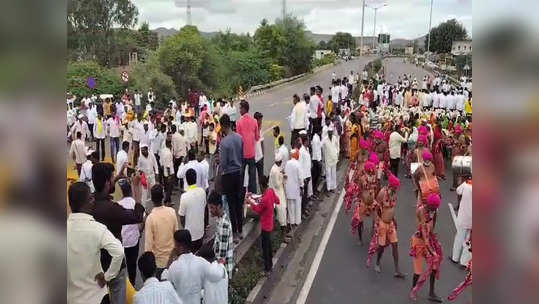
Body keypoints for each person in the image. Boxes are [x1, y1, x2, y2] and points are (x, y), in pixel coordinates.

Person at [91, 162, 145, 304]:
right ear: (108, 182)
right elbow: (138, 216)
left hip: (95, 266)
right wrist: (136, 190)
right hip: (114, 267)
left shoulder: (89, 203)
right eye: (112, 177)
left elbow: (102, 191)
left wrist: (114, 178)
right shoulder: (112, 209)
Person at [67, 182, 125, 304]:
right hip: (96, 296)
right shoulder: (98, 229)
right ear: (90, 200)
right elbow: (119, 252)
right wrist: (107, 276)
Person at [166, 230, 226, 304]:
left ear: (180, 246)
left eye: (175, 244)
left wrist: (169, 263)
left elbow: (166, 284)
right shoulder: (200, 262)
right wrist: (220, 264)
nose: (174, 247)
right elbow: (216, 275)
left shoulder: (174, 266)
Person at [367, 174, 406, 278]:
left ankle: (397, 270)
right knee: (381, 246)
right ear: (391, 185)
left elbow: (391, 209)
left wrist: (393, 219)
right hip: (382, 224)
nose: (397, 189)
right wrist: (377, 221)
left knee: (395, 245)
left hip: (391, 224)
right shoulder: (383, 193)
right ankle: (377, 263)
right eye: (396, 187)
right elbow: (374, 206)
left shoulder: (394, 193)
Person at [410, 194, 443, 303]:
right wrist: (433, 252)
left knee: (434, 267)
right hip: (419, 243)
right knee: (418, 272)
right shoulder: (421, 211)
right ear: (429, 205)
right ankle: (413, 290)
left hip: (428, 240)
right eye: (434, 207)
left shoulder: (435, 212)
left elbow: (432, 228)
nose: (436, 209)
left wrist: (435, 240)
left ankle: (431, 293)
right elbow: (424, 236)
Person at [218, 114, 244, 242]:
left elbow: (223, 163)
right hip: (239, 173)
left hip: (228, 175)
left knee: (231, 204)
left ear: (223, 126)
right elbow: (242, 155)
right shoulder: (239, 138)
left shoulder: (224, 143)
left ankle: (235, 233)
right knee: (239, 203)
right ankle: (241, 229)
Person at [247, 176, 280, 275]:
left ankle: (267, 269)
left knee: (265, 248)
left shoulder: (265, 199)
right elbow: (277, 200)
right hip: (270, 223)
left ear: (261, 185)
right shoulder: (270, 191)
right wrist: (253, 196)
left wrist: (250, 202)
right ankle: (270, 265)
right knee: (268, 246)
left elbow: (258, 209)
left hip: (265, 226)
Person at [145, 184, 178, 278]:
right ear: (163, 196)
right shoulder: (171, 212)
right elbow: (176, 234)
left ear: (151, 199)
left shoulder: (150, 218)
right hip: (172, 260)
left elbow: (148, 247)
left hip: (158, 263)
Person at [117, 179, 141, 286]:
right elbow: (143, 218)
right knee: (132, 265)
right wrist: (140, 231)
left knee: (120, 266)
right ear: (130, 190)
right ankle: (132, 284)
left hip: (121, 241)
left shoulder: (117, 205)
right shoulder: (134, 203)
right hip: (133, 241)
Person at [179, 169, 207, 253]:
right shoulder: (202, 192)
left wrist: (186, 228)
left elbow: (181, 216)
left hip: (190, 235)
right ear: (196, 178)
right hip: (201, 231)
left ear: (186, 180)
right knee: (199, 254)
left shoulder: (184, 196)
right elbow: (205, 210)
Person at [235, 100, 260, 194]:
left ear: (244, 109)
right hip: (252, 154)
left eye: (240, 108)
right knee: (252, 176)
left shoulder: (239, 123)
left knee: (241, 176)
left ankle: (241, 195)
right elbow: (257, 138)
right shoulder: (254, 121)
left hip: (242, 154)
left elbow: (238, 140)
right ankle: (252, 194)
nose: (239, 110)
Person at [451, 175, 472, 267]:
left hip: (463, 217)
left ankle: (455, 258)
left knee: (459, 237)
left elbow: (458, 190)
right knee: (469, 240)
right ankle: (464, 262)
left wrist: (463, 182)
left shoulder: (466, 186)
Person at [269, 152, 289, 239]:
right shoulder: (275, 170)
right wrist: (282, 177)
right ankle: (283, 231)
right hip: (277, 192)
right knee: (282, 210)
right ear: (279, 161)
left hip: (277, 191)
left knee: (282, 210)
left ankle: (283, 228)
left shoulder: (275, 168)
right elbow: (277, 184)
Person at [285, 148, 302, 228]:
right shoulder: (298, 164)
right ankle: (297, 221)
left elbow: (285, 176)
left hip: (289, 189)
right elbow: (300, 178)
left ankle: (291, 222)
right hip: (296, 189)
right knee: (297, 206)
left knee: (290, 206)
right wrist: (302, 186)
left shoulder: (287, 164)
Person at [322, 126, 339, 192]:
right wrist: (324, 157)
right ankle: (328, 188)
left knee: (333, 174)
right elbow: (321, 146)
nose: (330, 133)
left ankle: (333, 187)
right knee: (328, 174)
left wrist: (337, 153)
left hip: (334, 158)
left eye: (331, 132)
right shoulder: (325, 139)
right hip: (328, 160)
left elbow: (337, 146)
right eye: (329, 132)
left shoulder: (334, 138)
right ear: (327, 132)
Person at [254, 111, 265, 192]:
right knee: (253, 178)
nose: (261, 122)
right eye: (260, 120)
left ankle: (262, 194)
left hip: (260, 157)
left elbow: (262, 142)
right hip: (253, 157)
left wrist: (263, 154)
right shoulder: (252, 129)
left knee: (261, 177)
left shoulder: (260, 129)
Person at [311, 128, 322, 199]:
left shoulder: (317, 137)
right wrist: (318, 161)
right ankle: (313, 191)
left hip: (317, 159)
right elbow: (316, 151)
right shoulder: (315, 139)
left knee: (317, 176)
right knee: (315, 177)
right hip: (316, 160)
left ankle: (315, 189)